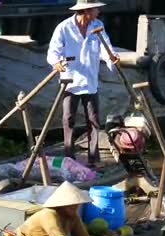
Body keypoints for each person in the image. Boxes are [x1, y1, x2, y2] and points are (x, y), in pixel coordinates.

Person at [47, 0, 119, 167]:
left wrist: (112, 58)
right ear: (86, 11)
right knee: (68, 119)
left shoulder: (97, 25)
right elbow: (53, 52)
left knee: (93, 121)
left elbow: (105, 47)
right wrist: (56, 63)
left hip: (90, 80)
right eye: (96, 9)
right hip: (70, 80)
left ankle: (94, 159)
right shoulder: (64, 28)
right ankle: (69, 158)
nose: (99, 12)